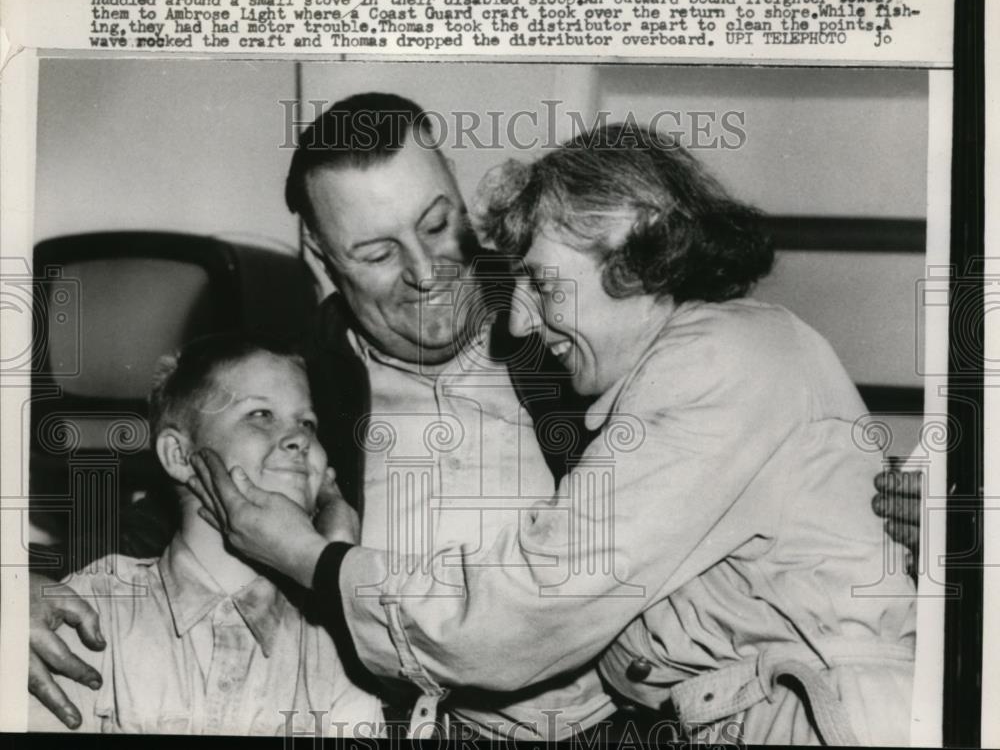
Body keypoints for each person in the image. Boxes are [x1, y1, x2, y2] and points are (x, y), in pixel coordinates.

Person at [29, 94, 922, 737]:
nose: (425, 274)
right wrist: (23, 588)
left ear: (461, 197)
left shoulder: (595, 327)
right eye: (376, 252)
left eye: (437, 223)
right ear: (320, 253)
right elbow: (191, 516)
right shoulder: (295, 375)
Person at [28, 334, 384, 736]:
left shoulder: (336, 644)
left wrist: (335, 569)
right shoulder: (94, 610)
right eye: (261, 414)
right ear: (180, 457)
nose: (300, 438)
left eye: (308, 423)